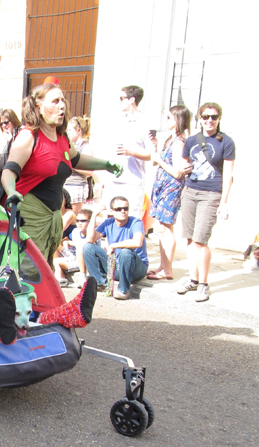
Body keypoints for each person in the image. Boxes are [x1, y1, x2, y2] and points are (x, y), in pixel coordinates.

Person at [1, 82, 122, 265]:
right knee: (28, 270)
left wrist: (105, 164)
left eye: (62, 100)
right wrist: (11, 191)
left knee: (44, 269)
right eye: (55, 101)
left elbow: (76, 159)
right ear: (39, 107)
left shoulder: (62, 137)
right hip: (29, 216)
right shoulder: (29, 136)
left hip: (52, 215)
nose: (62, 105)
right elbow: (8, 171)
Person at [174, 102, 235, 302]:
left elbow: (228, 175)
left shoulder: (225, 142)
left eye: (214, 117)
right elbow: (183, 163)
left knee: (201, 240)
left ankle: (203, 283)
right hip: (191, 191)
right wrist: (185, 168)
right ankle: (193, 279)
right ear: (200, 118)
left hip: (211, 193)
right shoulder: (192, 140)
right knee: (190, 240)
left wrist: (224, 202)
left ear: (219, 119)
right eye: (206, 116)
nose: (209, 120)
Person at [146, 105, 192, 281]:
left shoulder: (179, 142)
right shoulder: (170, 140)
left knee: (164, 229)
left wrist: (159, 159)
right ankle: (163, 266)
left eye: (169, 118)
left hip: (170, 188)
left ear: (177, 120)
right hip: (163, 187)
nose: (166, 121)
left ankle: (167, 270)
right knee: (163, 229)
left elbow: (177, 172)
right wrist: (156, 148)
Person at [101, 85, 152, 219]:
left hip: (132, 180)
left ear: (132, 100)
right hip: (114, 178)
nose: (120, 101)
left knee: (131, 219)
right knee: (111, 216)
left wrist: (131, 152)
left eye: (122, 98)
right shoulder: (118, 121)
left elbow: (151, 154)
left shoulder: (144, 122)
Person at [83, 196, 149, 299]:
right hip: (116, 265)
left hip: (136, 269)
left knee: (125, 251)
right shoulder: (108, 223)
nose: (123, 211)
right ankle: (100, 283)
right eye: (119, 209)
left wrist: (114, 245)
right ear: (112, 211)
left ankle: (123, 290)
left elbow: (137, 242)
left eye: (126, 208)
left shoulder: (136, 222)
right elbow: (90, 239)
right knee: (88, 247)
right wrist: (94, 215)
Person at [64, 115, 97, 213]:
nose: (67, 133)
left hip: (76, 186)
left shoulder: (85, 147)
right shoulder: (71, 146)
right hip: (66, 185)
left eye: (70, 130)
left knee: (73, 216)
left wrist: (72, 164)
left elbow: (89, 171)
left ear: (79, 131)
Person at [55, 208, 93, 286]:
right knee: (54, 243)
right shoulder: (75, 231)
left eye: (83, 221)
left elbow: (88, 247)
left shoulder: (93, 234)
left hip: (86, 260)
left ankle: (82, 277)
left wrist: (74, 243)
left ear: (90, 222)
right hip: (74, 257)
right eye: (77, 221)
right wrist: (66, 242)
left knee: (80, 249)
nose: (79, 223)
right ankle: (60, 279)